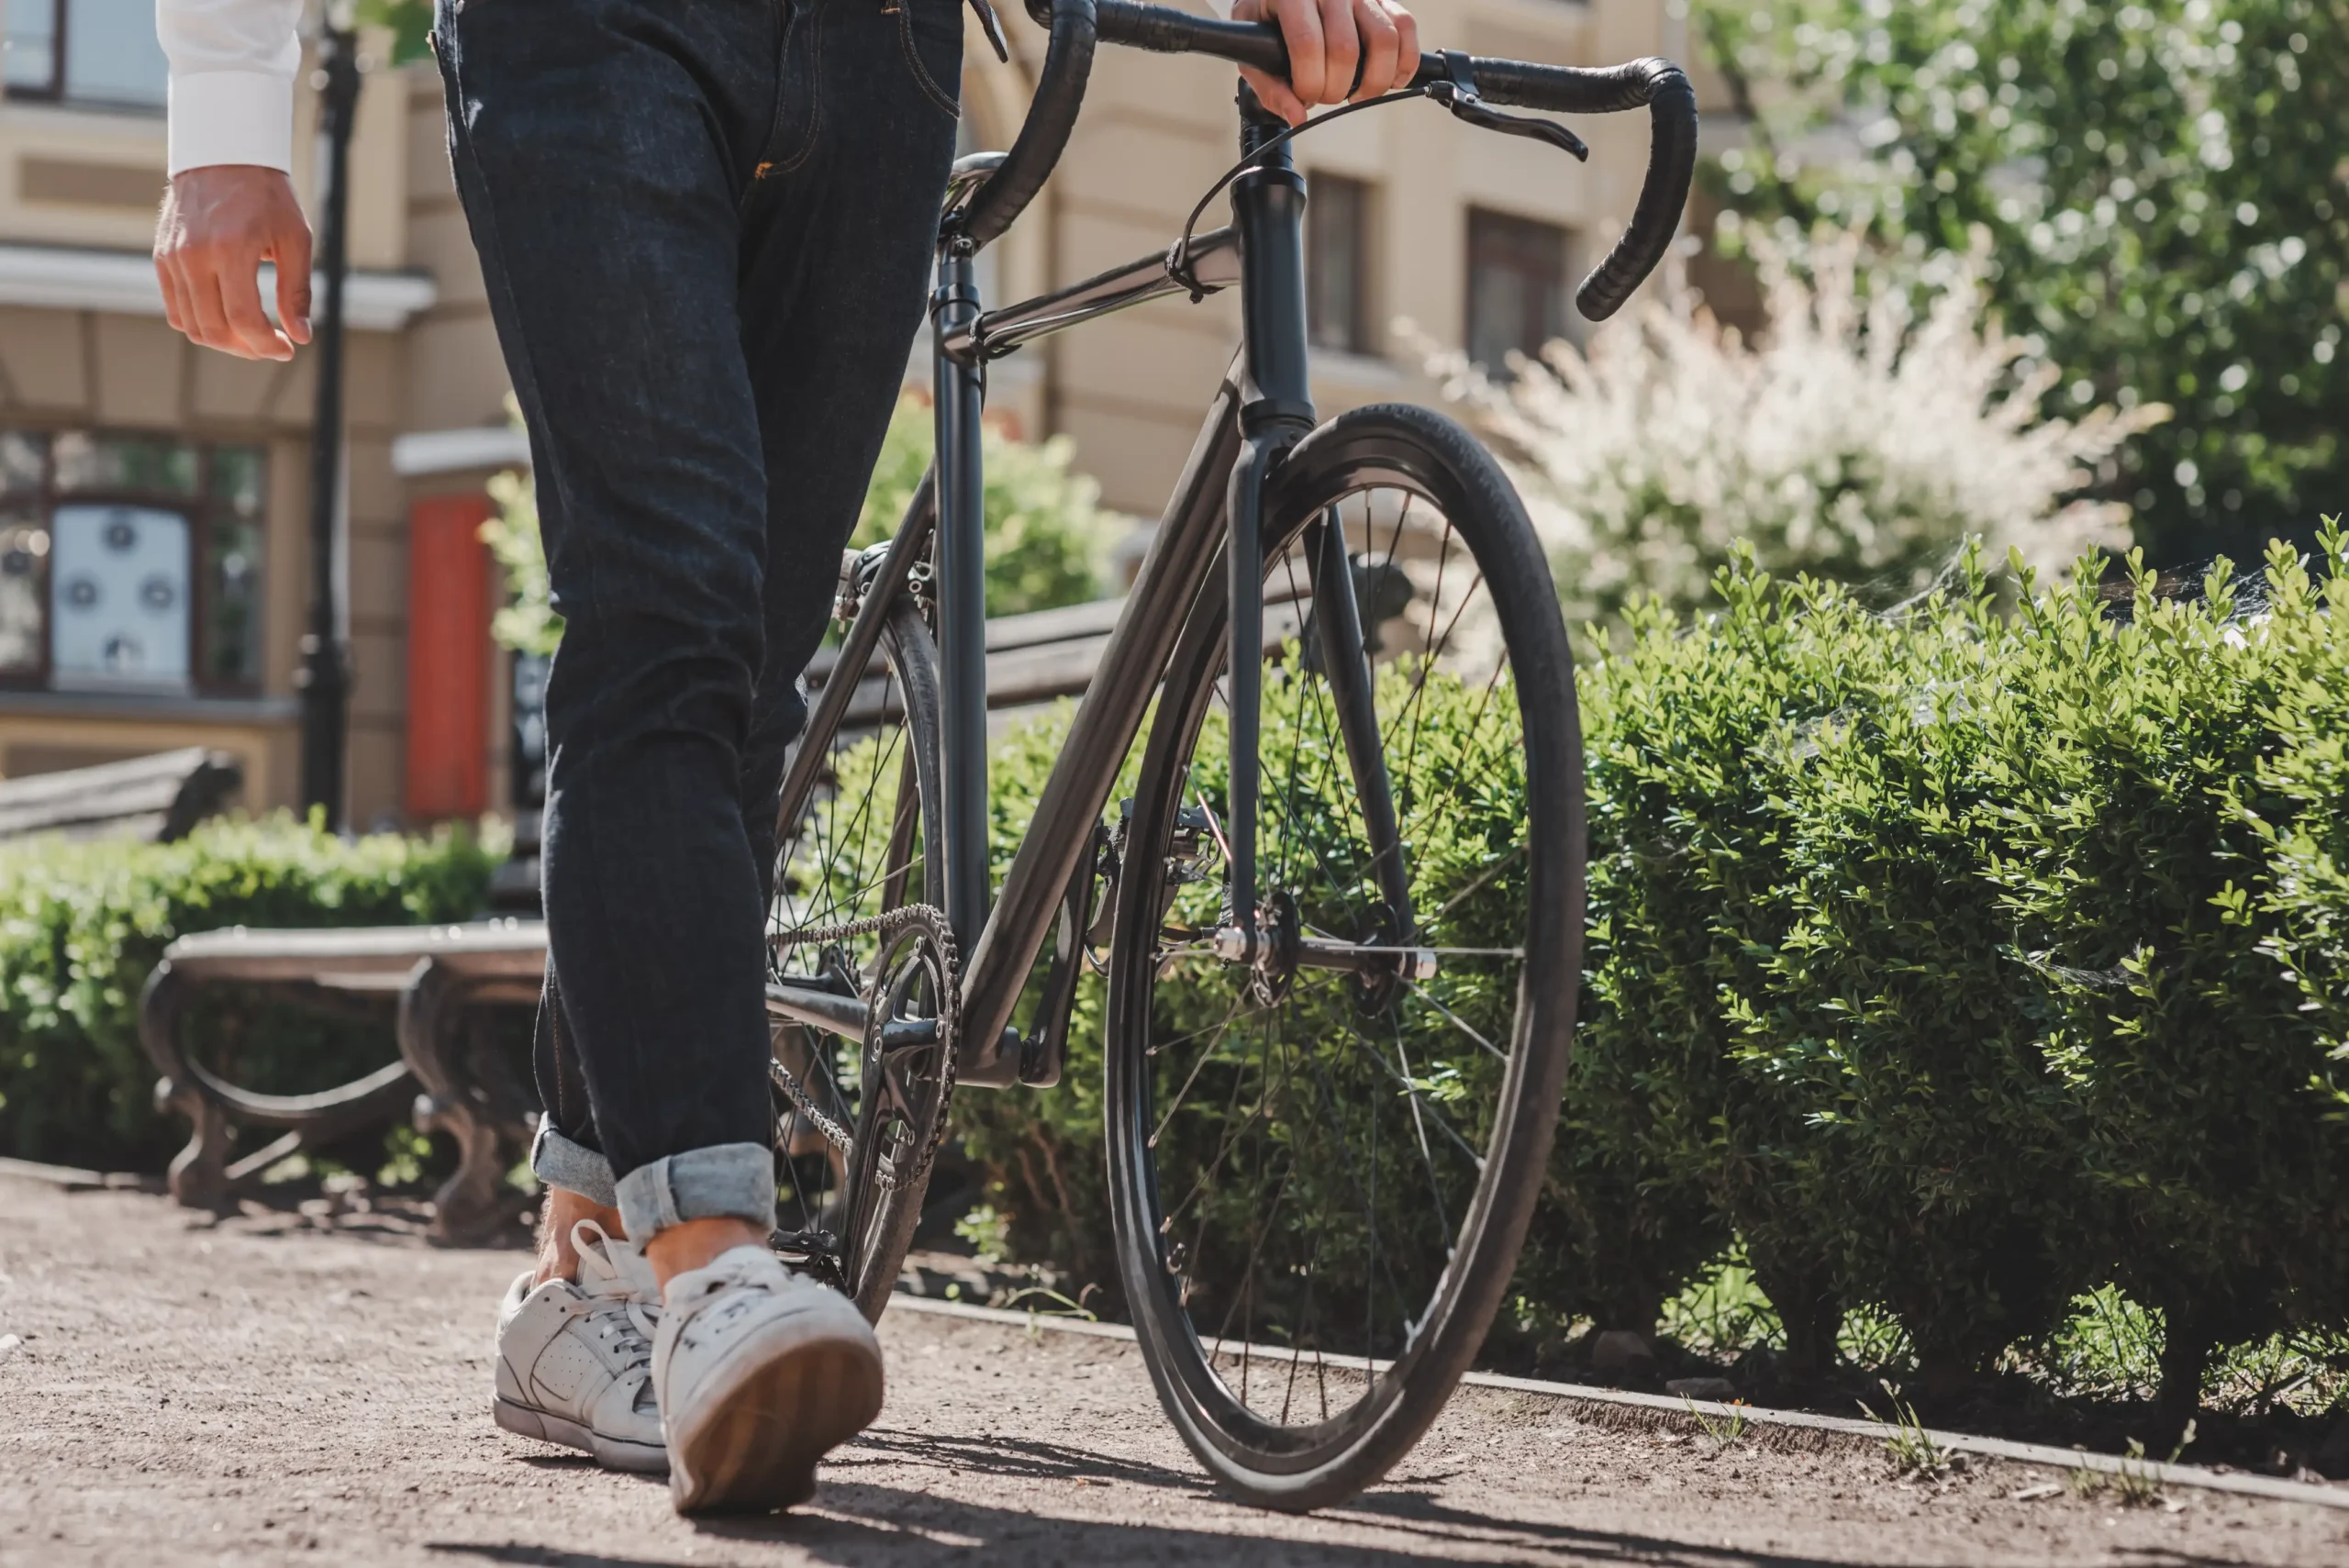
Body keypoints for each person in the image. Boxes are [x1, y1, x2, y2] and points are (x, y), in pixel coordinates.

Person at [154, 0, 1418, 1518]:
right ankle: (714, 1265)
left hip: (882, 51)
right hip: (589, 33)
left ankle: (588, 1263)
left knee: (742, 669)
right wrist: (228, 116)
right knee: (669, 611)